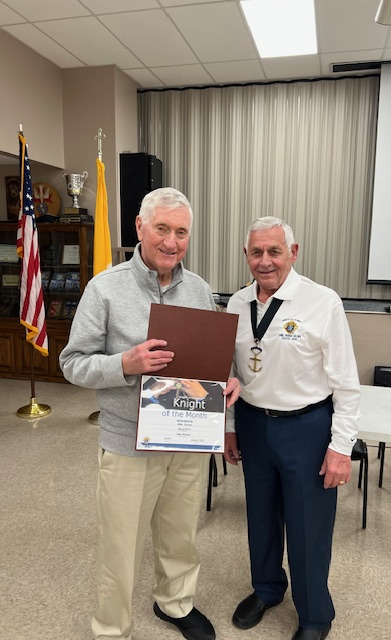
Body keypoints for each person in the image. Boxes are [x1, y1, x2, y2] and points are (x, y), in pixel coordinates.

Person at [60, 187, 240, 640]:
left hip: (187, 438)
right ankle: (111, 627)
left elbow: (210, 358)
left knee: (181, 532)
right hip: (127, 443)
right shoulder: (104, 289)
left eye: (181, 232)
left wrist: (226, 381)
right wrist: (125, 364)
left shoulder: (199, 289)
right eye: (162, 228)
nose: (171, 241)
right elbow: (72, 363)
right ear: (140, 227)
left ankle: (175, 603)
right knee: (121, 543)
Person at [223, 217, 360, 640]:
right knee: (260, 516)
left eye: (274, 251)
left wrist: (341, 446)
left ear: (293, 253)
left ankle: (315, 615)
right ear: (247, 256)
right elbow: (228, 371)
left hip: (307, 428)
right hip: (252, 423)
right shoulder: (236, 304)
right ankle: (267, 589)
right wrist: (229, 427)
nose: (265, 262)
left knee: (307, 526)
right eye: (256, 253)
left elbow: (346, 382)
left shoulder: (322, 301)